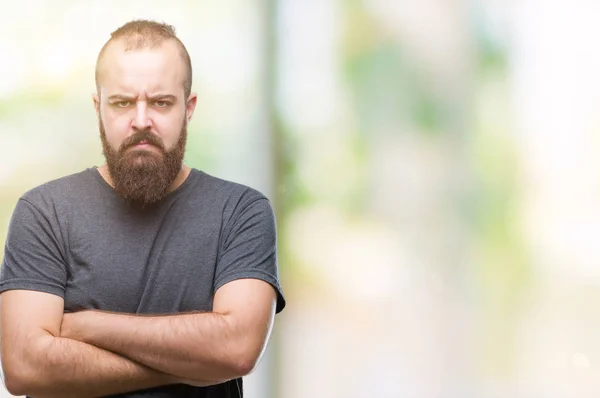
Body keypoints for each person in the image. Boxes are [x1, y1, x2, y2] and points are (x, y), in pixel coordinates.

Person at [0, 19, 286, 398]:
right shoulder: (44, 212)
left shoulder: (240, 211)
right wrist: (193, 365)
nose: (140, 121)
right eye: (122, 102)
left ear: (189, 108)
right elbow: (24, 368)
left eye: (161, 102)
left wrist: (87, 327)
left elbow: (235, 351)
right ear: (98, 107)